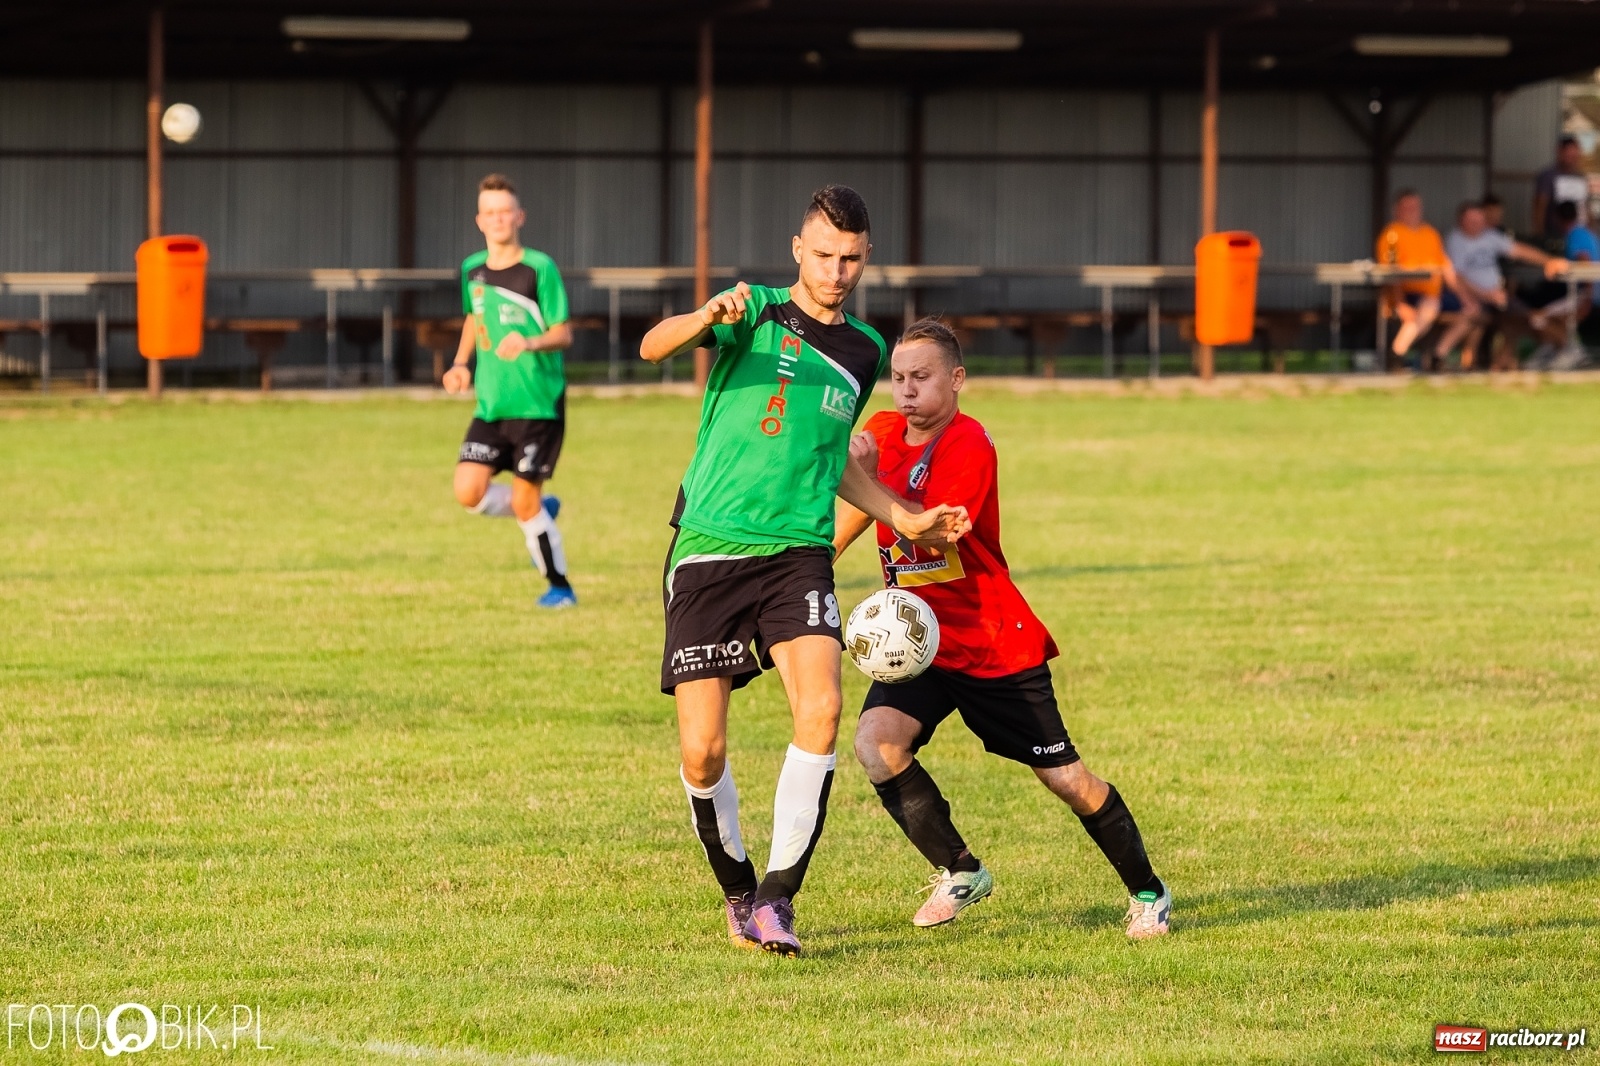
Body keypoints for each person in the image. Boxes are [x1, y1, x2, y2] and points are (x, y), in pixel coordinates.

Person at [638, 186, 972, 957]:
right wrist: (704, 318)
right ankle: (737, 888)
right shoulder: (749, 309)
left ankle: (778, 903)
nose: (837, 270)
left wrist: (904, 516)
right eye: (824, 255)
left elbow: (833, 466)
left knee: (820, 710)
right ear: (799, 249)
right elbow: (654, 347)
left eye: (851, 258)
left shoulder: (860, 352)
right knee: (704, 753)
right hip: (711, 549)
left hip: (798, 552)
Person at [834, 318, 1171, 940]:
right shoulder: (882, 431)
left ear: (957, 380)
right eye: (898, 379)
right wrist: (817, 560)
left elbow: (935, 528)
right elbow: (859, 499)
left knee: (1065, 778)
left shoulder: (969, 444)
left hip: (994, 643)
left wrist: (863, 475)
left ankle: (1148, 891)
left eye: (922, 378)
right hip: (920, 642)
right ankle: (959, 871)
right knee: (876, 744)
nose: (905, 392)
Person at [443, 174, 577, 608]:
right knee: (468, 493)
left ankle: (560, 587)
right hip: (492, 405)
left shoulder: (539, 268)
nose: (498, 219)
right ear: (479, 220)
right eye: (490, 213)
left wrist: (529, 341)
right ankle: (539, 506)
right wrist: (461, 364)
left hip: (537, 406)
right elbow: (472, 319)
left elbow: (564, 333)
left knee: (523, 502)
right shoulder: (472, 270)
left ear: (519, 217)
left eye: (506, 211)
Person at [1439, 201, 1568, 370]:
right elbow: (1456, 277)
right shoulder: (1455, 240)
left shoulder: (1490, 236)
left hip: (1496, 297)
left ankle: (1560, 349)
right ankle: (1446, 357)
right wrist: (1486, 295)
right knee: (1481, 319)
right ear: (1461, 221)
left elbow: (1520, 250)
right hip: (1470, 299)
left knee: (1528, 318)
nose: (1476, 225)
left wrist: (1549, 261)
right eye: (1471, 221)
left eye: (1479, 221)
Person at [1374, 189, 1474, 366]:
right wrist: (1400, 303)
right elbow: (1390, 273)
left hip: (1434, 292)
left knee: (1471, 313)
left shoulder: (1430, 233)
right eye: (1407, 208)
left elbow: (1447, 268)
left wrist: (1464, 298)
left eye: (1415, 207)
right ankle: (1397, 352)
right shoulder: (1392, 234)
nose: (1413, 211)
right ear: (1396, 210)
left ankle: (1438, 356)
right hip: (1408, 293)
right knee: (1429, 307)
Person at [1527, 201, 1597, 369]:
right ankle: (1552, 349)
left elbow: (1584, 263)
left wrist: (1588, 297)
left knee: (1538, 318)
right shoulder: (1586, 233)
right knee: (1554, 318)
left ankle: (1573, 350)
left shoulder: (1575, 236)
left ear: (1556, 218)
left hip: (1585, 293)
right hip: (1583, 292)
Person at [1533, 136, 1591, 247]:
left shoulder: (1581, 177)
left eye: (1574, 154)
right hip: (1555, 236)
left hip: (1580, 236)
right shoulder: (1548, 176)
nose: (1571, 158)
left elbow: (1586, 205)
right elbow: (1540, 206)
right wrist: (1540, 234)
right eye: (1568, 154)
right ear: (1560, 152)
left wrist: (1590, 230)